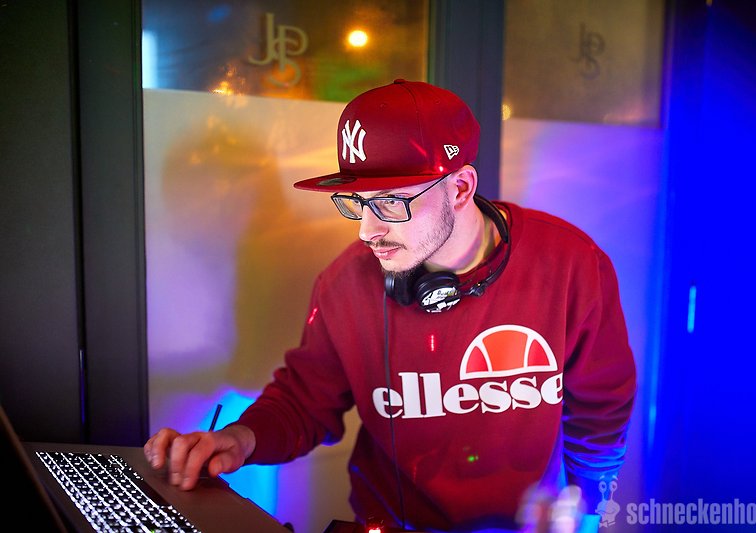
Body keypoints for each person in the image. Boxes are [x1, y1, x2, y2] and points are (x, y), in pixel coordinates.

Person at [144, 79, 636, 532]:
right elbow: (304, 400)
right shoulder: (345, 284)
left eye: (390, 203)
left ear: (460, 188)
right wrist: (241, 438)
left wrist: (590, 511)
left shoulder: (571, 265)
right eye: (358, 202)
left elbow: (602, 412)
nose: (366, 231)